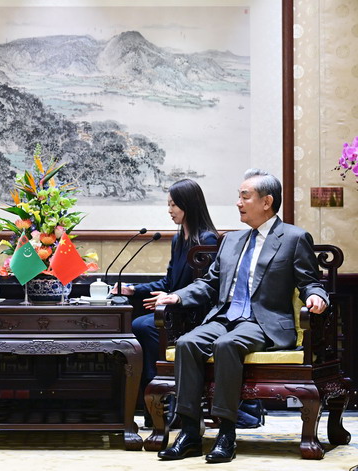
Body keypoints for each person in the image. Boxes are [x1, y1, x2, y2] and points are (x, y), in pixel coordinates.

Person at [155, 169, 328, 463]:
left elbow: (310, 281)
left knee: (227, 345)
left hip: (263, 322)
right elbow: (210, 283)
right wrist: (178, 296)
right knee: (187, 343)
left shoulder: (293, 238)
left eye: (244, 196)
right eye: (239, 196)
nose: (238, 202)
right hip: (224, 316)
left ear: (266, 202)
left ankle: (226, 434)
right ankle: (190, 433)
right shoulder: (232, 240)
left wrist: (316, 296)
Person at [112, 179, 217, 409]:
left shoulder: (207, 240)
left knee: (144, 325)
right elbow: (169, 282)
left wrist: (174, 296)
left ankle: (163, 393)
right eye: (168, 204)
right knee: (138, 324)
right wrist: (133, 289)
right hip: (174, 310)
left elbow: (205, 287)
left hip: (194, 314)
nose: (169, 210)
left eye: (173, 205)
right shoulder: (179, 239)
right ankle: (152, 395)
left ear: (188, 204)